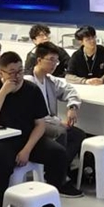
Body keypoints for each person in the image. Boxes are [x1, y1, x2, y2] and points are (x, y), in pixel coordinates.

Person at [0, 52, 82, 207]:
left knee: (58, 153)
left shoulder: (31, 90)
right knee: (2, 163)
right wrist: (4, 92)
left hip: (29, 137)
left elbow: (40, 125)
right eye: (11, 72)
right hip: (3, 139)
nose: (17, 76)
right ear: (1, 73)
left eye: (20, 71)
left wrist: (26, 150)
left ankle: (49, 201)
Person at [26, 42, 86, 189]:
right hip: (34, 124)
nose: (54, 64)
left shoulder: (50, 80)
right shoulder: (28, 82)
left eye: (56, 61)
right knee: (61, 132)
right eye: (51, 60)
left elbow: (70, 90)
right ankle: (59, 180)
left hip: (51, 122)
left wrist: (72, 107)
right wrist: (57, 122)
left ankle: (59, 170)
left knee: (78, 134)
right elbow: (34, 114)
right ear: (39, 60)